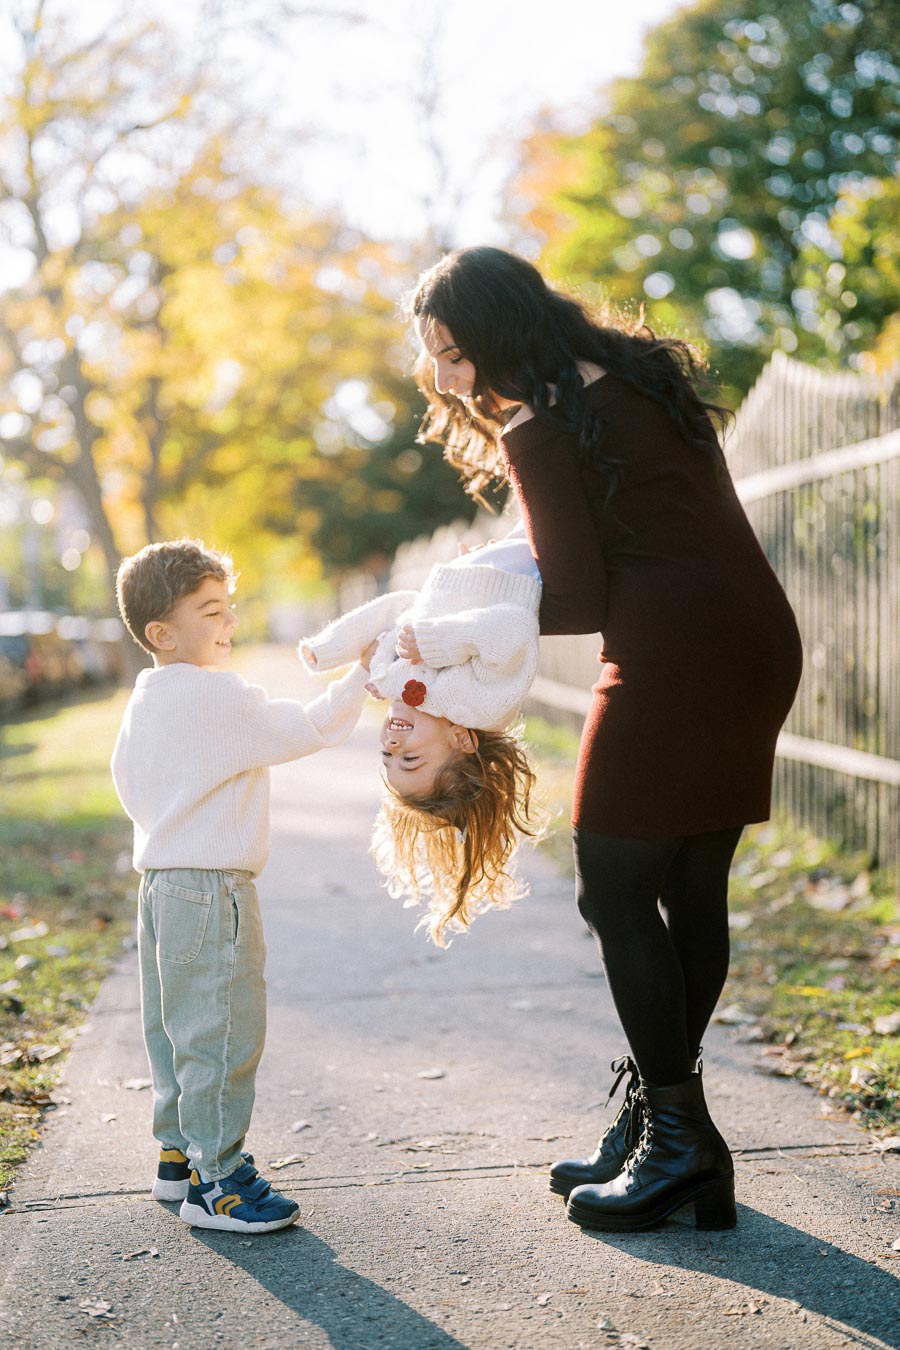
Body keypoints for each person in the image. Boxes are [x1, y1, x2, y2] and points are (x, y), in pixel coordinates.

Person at [410, 245, 803, 1233]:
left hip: (670, 659)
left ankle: (679, 1137)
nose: (447, 378)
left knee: (613, 883)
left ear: (497, 334)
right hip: (756, 640)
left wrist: (462, 619)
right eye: (437, 359)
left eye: (455, 354)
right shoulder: (639, 375)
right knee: (686, 886)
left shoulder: (540, 425)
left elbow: (578, 596)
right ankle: (667, 1129)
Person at [111, 538, 372, 1233]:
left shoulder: (145, 697)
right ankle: (218, 1182)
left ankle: (178, 1156)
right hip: (211, 890)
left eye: (228, 607)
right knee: (224, 1030)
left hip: (161, 885)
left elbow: (127, 783)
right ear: (162, 632)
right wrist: (361, 677)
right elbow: (308, 726)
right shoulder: (215, 694)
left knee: (174, 1027)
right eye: (210, 611)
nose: (227, 623)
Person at [300, 524, 542, 945]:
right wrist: (434, 642)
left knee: (394, 611)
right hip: (525, 559)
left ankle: (324, 648)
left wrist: (346, 656)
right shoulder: (481, 706)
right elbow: (514, 630)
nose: (391, 747)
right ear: (462, 742)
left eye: (388, 758)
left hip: (470, 569)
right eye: (409, 759)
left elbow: (398, 617)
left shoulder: (407, 691)